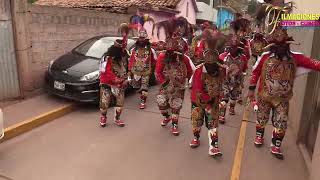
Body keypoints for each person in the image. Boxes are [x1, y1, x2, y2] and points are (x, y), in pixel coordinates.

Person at [248, 3, 320, 159]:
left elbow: (314, 63)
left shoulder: (296, 57)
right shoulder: (265, 56)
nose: (279, 34)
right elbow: (255, 72)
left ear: (287, 34)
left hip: (282, 98)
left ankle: (276, 145)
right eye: (276, 32)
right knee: (261, 117)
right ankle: (259, 136)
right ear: (272, 37)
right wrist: (251, 90)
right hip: (264, 95)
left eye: (282, 31)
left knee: (281, 122)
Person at [154, 17, 194, 136]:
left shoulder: (184, 57)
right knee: (161, 104)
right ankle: (167, 117)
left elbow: (191, 71)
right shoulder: (162, 57)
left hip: (179, 85)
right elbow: (158, 72)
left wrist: (189, 83)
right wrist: (164, 83)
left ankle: (175, 125)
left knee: (176, 104)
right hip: (165, 85)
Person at [190, 34, 227, 157]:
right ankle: (196, 138)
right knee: (197, 121)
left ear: (217, 57)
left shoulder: (221, 69)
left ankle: (213, 147)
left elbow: (223, 84)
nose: (210, 59)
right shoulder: (199, 70)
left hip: (213, 101)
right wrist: (208, 100)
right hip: (198, 101)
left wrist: (221, 98)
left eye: (213, 56)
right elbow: (197, 88)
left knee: (213, 123)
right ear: (205, 57)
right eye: (208, 56)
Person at [99, 23, 131, 127]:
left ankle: (117, 119)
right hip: (107, 83)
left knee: (120, 103)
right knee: (104, 102)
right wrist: (116, 80)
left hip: (121, 83)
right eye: (121, 51)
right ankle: (103, 117)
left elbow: (128, 68)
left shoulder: (124, 56)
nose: (123, 53)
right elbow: (105, 72)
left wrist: (127, 78)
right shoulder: (106, 58)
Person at [218, 34, 249, 124]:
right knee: (224, 99)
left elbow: (244, 69)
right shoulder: (222, 56)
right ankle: (222, 115)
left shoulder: (243, 58)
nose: (233, 49)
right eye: (232, 47)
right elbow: (218, 69)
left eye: (235, 47)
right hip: (225, 82)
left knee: (233, 98)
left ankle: (232, 108)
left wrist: (241, 81)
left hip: (237, 82)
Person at [128, 28, 157, 109]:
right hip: (136, 72)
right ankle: (141, 95)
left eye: (143, 38)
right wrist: (129, 71)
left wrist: (152, 70)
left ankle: (143, 101)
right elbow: (131, 60)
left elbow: (154, 61)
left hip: (146, 72)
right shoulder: (133, 50)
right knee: (137, 87)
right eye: (140, 38)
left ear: (146, 39)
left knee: (144, 87)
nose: (141, 40)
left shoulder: (151, 50)